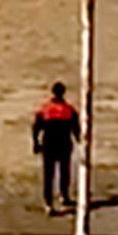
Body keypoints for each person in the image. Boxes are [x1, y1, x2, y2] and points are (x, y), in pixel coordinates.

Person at [32, 81, 80, 216]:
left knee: (49, 175)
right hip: (64, 143)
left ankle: (48, 203)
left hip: (49, 144)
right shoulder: (69, 110)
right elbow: (76, 128)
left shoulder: (45, 109)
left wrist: (36, 143)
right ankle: (64, 196)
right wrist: (79, 140)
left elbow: (36, 127)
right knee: (65, 171)